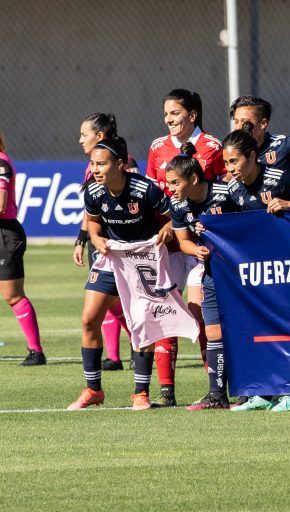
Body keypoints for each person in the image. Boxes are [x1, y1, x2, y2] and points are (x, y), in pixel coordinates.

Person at [191, 127, 290, 411]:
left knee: (286, 328)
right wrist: (206, 228)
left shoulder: (279, 177)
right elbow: (231, 227)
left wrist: (288, 204)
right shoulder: (232, 189)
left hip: (286, 267)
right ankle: (265, 391)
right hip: (254, 272)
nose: (230, 168)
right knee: (258, 330)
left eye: (235, 161)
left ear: (252, 156)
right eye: (226, 162)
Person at [67, 137, 173, 410]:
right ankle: (93, 390)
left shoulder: (145, 189)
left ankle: (141, 393)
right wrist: (96, 238)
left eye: (101, 164)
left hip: (142, 258)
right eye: (93, 164)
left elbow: (176, 213)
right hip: (111, 257)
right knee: (89, 319)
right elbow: (92, 223)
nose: (95, 169)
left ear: (121, 164)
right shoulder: (93, 192)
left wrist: (167, 228)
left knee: (140, 324)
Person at [146, 89, 224, 407]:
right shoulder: (157, 149)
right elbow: (153, 196)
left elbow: (220, 194)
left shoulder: (213, 147)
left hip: (203, 245)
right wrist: (164, 225)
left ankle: (216, 389)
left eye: (175, 113)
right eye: (166, 113)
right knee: (165, 314)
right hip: (171, 245)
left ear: (192, 115)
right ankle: (166, 391)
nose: (169, 119)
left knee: (203, 316)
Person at [74, 113, 134, 371]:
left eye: (84, 135)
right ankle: (114, 357)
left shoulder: (123, 163)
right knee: (105, 302)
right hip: (99, 242)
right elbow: (92, 210)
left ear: (100, 136)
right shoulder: (93, 166)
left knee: (127, 301)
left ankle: (139, 347)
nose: (80, 140)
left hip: (120, 244)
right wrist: (82, 238)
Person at [0, 130, 46, 366]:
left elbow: (1, 204)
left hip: (4, 234)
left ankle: (36, 352)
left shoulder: (0, 162)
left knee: (12, 295)